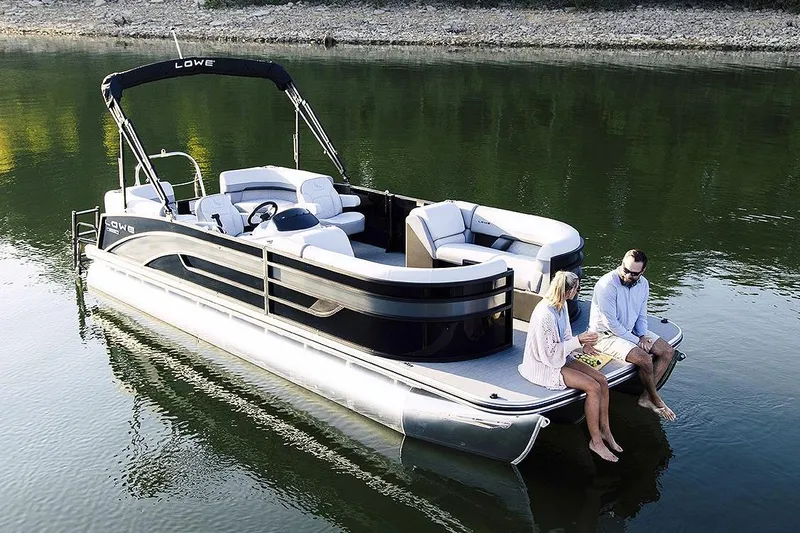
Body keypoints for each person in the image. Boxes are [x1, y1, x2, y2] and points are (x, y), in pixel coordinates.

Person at [520, 270, 623, 463]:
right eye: (577, 288)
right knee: (592, 387)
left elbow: (566, 338)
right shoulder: (545, 315)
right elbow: (549, 355)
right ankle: (596, 442)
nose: (578, 292)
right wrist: (578, 340)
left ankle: (605, 430)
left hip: (560, 356)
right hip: (544, 365)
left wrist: (583, 345)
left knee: (602, 380)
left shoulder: (562, 306)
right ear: (569, 291)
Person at [589, 249, 677, 421]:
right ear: (621, 264)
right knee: (644, 358)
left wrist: (643, 335)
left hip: (630, 330)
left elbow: (642, 314)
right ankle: (656, 398)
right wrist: (637, 341)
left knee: (667, 351)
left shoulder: (644, 284)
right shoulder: (607, 284)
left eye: (634, 273)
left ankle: (645, 397)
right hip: (605, 335)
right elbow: (611, 324)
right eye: (625, 270)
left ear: (642, 272)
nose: (628, 275)